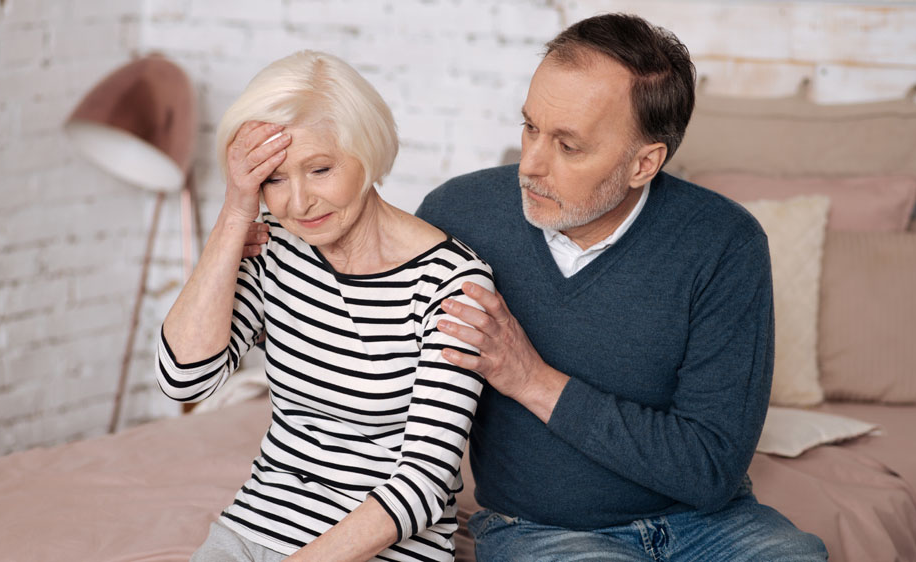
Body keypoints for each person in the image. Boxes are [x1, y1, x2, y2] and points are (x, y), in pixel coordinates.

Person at [412, 13, 830, 562]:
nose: (530, 165)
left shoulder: (724, 243)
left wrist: (531, 379)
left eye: (568, 145)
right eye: (530, 127)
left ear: (643, 163)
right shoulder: (457, 216)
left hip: (710, 524)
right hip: (541, 530)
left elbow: (709, 468)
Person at [156, 50, 494, 562]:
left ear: (368, 151)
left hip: (382, 548)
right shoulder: (272, 248)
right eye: (273, 178)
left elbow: (423, 485)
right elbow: (184, 381)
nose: (298, 202)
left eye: (320, 169)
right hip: (255, 529)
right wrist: (234, 214)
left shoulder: (451, 283)